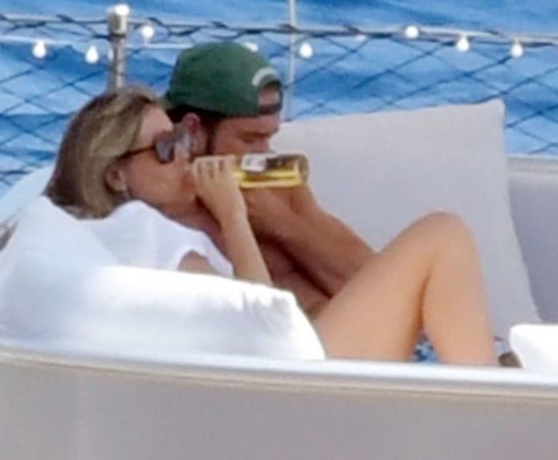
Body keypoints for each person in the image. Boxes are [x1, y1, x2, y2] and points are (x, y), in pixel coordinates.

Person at [44, 87, 500, 365]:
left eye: (180, 140)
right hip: (292, 380)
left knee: (443, 242)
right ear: (116, 175)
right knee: (442, 236)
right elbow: (262, 320)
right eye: (165, 148)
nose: (184, 156)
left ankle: (487, 386)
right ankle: (490, 407)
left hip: (290, 367)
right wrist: (233, 216)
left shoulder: (134, 229)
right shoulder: (145, 230)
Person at [161, 42, 371, 317]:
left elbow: (378, 282)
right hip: (291, 337)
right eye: (250, 139)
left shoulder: (273, 188)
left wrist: (279, 223)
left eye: (269, 138)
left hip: (357, 330)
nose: (264, 153)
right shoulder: (168, 205)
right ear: (194, 130)